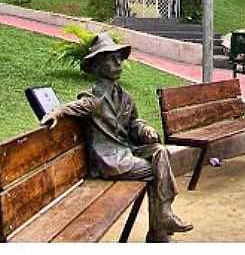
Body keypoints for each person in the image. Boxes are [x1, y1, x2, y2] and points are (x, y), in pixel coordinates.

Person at [41, 32, 193, 243]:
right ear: (96, 67)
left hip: (126, 152)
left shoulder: (125, 97)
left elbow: (133, 123)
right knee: (157, 171)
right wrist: (56, 112)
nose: (118, 62)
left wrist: (144, 129)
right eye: (110, 59)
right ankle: (159, 228)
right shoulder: (95, 98)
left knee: (160, 151)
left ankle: (162, 218)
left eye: (119, 58)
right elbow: (76, 106)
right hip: (109, 162)